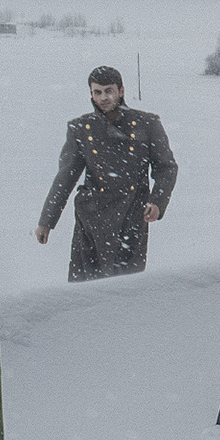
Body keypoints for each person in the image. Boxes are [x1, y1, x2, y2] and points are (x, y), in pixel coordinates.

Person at [35, 66, 178, 281]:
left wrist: (157, 201)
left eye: (109, 91)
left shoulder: (147, 124)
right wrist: (47, 221)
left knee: (124, 288)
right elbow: (65, 177)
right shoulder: (81, 128)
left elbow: (166, 167)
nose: (103, 98)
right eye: (97, 92)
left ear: (121, 91)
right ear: (91, 94)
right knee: (85, 288)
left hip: (130, 217)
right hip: (91, 219)